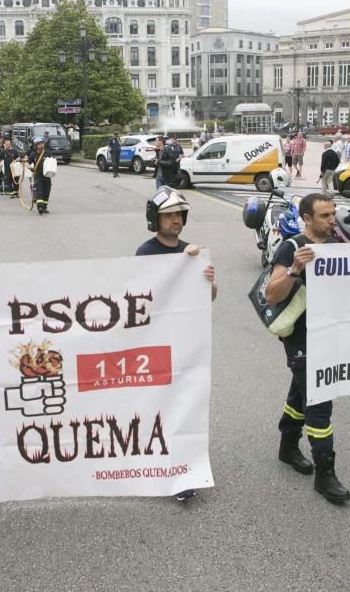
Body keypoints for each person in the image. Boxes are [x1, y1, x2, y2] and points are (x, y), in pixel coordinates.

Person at [265, 193, 350, 504]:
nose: (331, 220)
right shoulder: (291, 247)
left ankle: (287, 445)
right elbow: (271, 294)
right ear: (307, 218)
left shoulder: (338, 246)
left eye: (332, 214)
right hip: (300, 335)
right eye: (325, 216)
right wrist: (294, 270)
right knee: (318, 400)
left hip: (329, 332)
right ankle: (325, 473)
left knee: (300, 392)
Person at [136, 186, 217, 502]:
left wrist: (207, 279)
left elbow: (210, 298)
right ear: (155, 219)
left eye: (178, 215)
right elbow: (139, 297)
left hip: (187, 345)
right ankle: (154, 463)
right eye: (168, 215)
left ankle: (182, 471)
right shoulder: (145, 253)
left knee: (186, 406)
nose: (175, 221)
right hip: (157, 344)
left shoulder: (193, 252)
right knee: (161, 406)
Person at [27, 137, 53, 215]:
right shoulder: (33, 154)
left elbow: (52, 161)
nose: (41, 146)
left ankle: (44, 206)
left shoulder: (48, 153)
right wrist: (29, 166)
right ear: (35, 146)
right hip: (38, 176)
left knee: (46, 191)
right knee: (39, 191)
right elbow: (27, 163)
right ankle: (40, 207)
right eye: (39, 144)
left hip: (47, 176)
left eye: (42, 144)